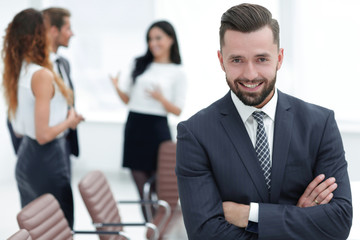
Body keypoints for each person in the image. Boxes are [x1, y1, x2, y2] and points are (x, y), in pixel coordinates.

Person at [175, 3, 352, 240]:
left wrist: (251, 214)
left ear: (279, 58)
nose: (250, 74)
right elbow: (205, 233)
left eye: (261, 59)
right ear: (221, 60)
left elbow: (339, 222)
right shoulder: (195, 133)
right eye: (237, 60)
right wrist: (298, 219)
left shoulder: (319, 124)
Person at [2, 8, 84, 229]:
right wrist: (70, 121)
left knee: (38, 230)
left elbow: (20, 128)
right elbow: (44, 135)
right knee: (62, 227)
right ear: (40, 34)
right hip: (47, 158)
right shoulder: (42, 74)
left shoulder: (22, 69)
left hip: (28, 158)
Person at [110, 20, 186, 220]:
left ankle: (163, 226)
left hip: (157, 128)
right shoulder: (140, 63)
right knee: (140, 187)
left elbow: (177, 110)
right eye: (150, 39)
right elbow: (129, 100)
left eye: (158, 38)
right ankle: (150, 230)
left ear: (170, 39)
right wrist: (117, 87)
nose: (153, 43)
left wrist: (161, 98)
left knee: (162, 188)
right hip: (134, 125)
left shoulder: (177, 72)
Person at [42, 7, 79, 179]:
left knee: (63, 201)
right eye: (68, 28)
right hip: (43, 147)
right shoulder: (35, 68)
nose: (72, 34)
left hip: (63, 143)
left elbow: (64, 102)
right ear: (54, 30)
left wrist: (71, 116)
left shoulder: (63, 63)